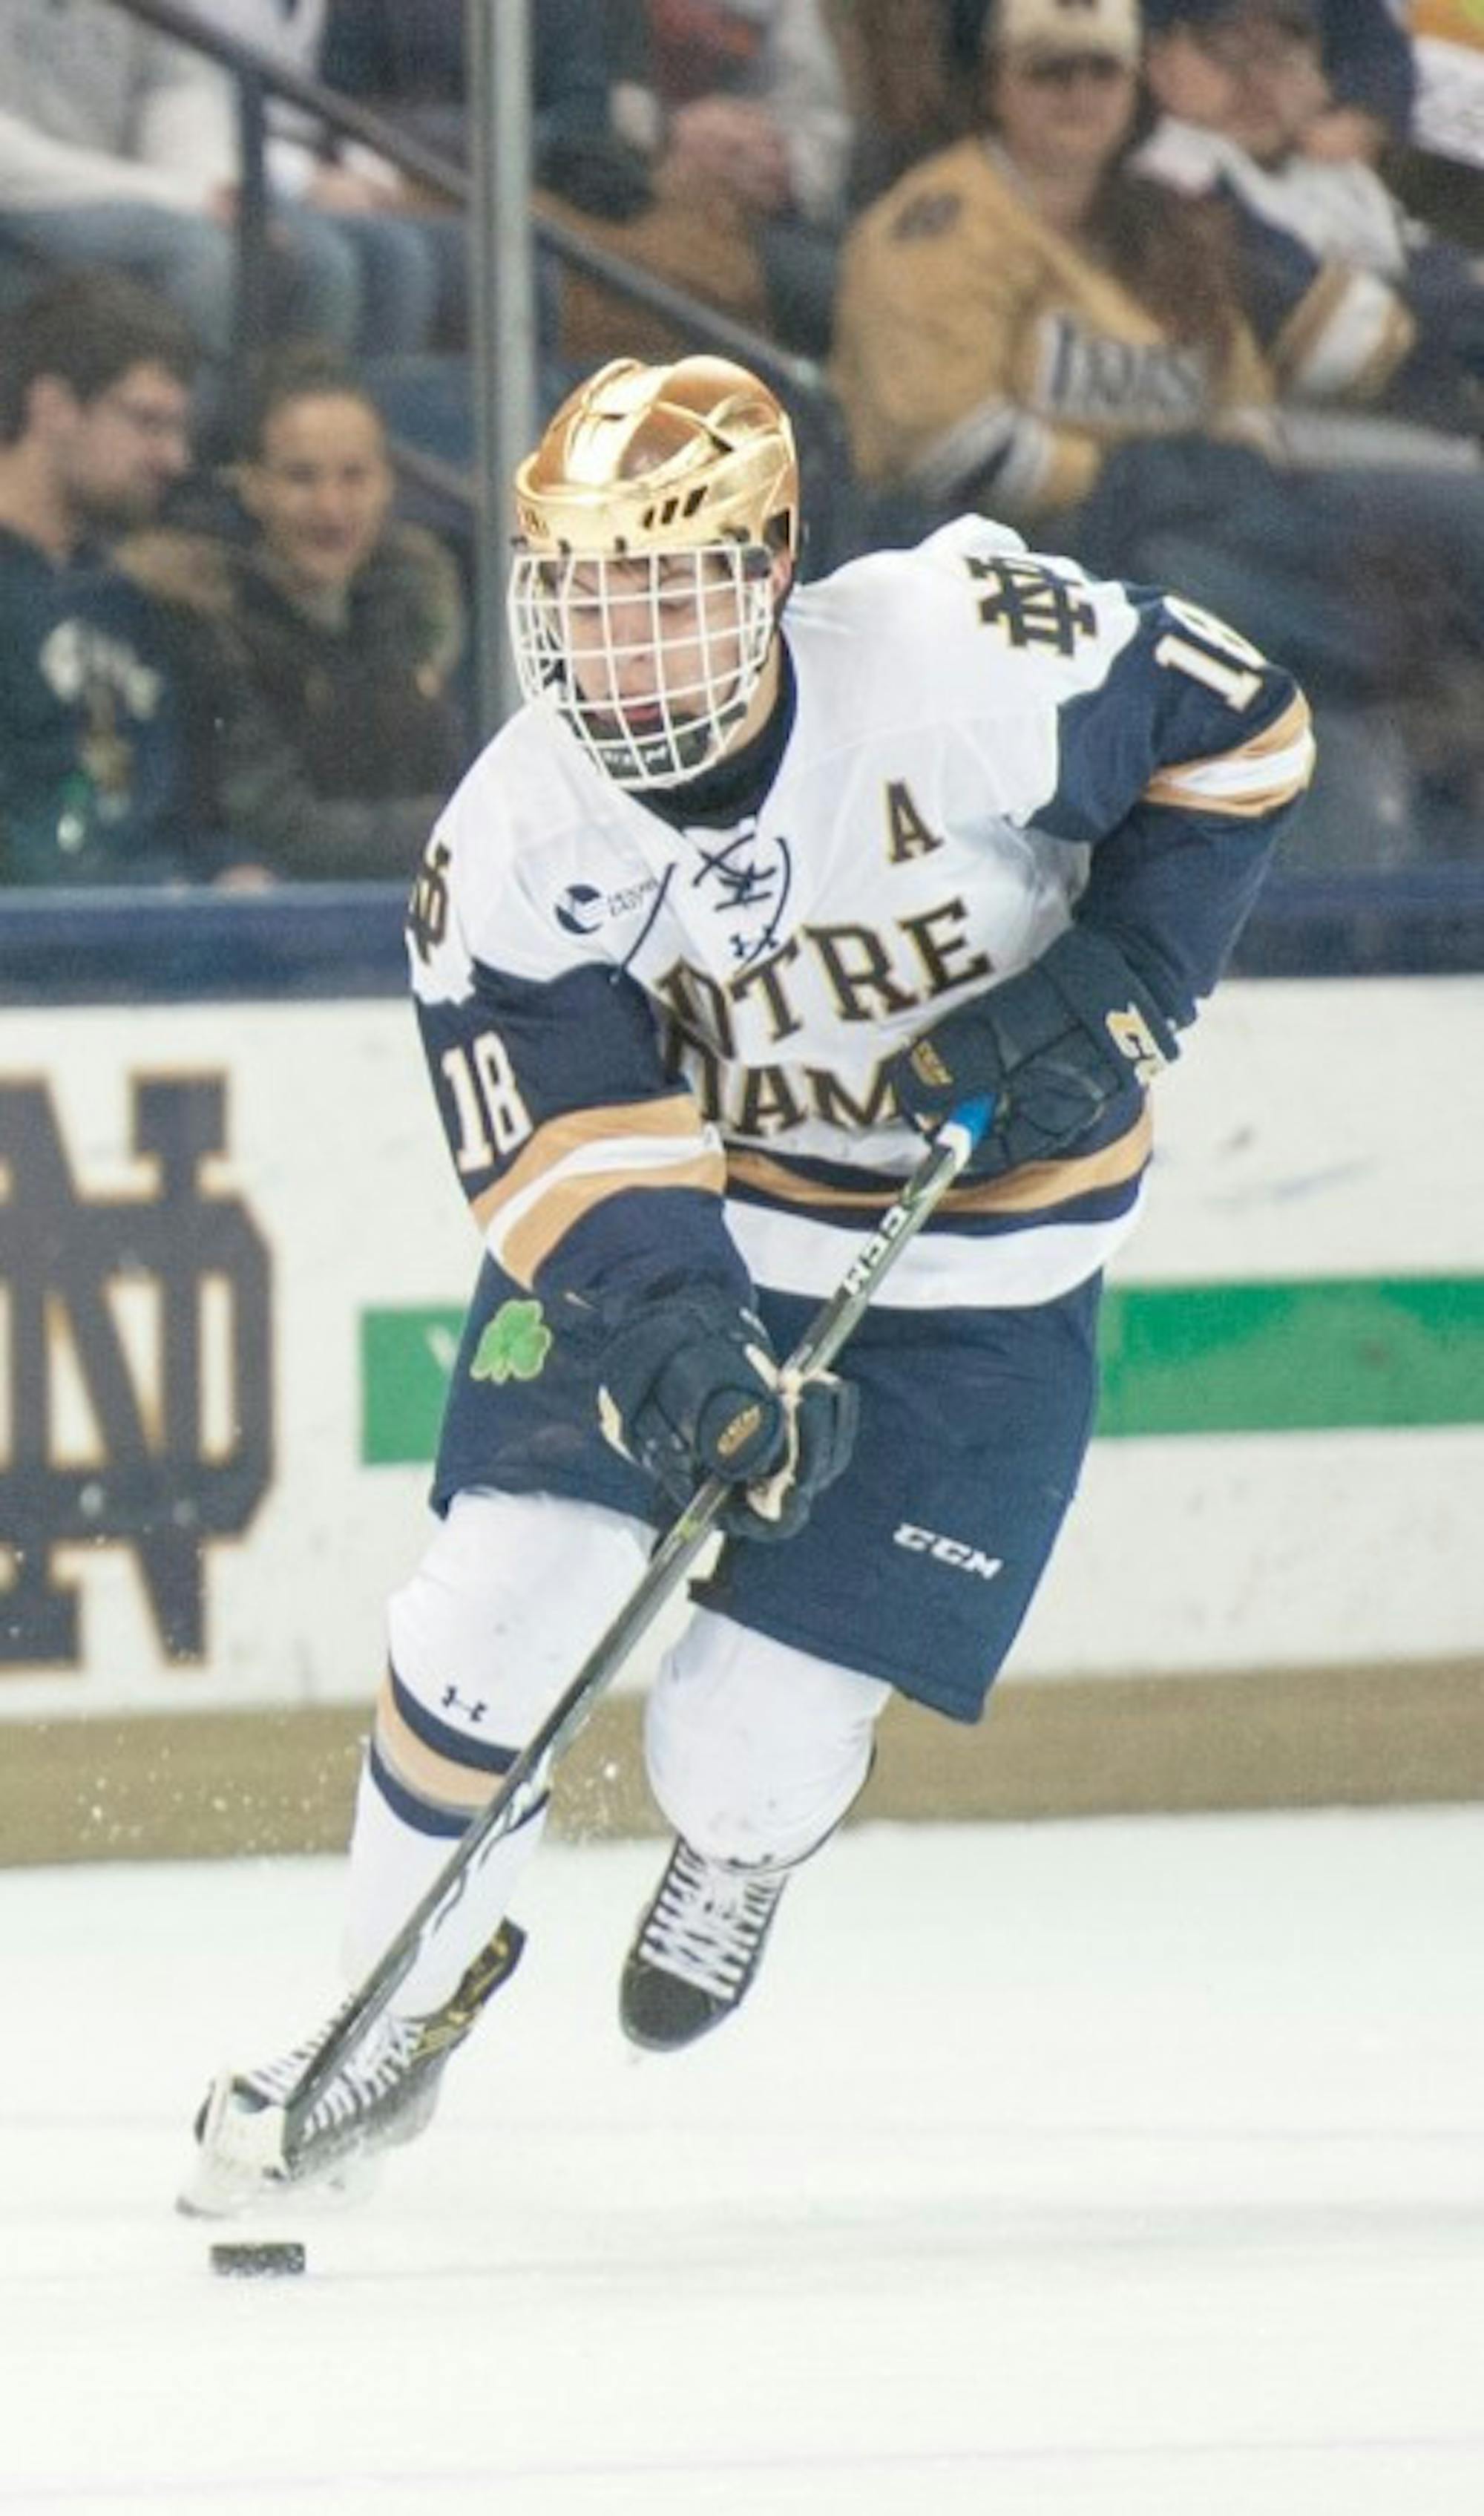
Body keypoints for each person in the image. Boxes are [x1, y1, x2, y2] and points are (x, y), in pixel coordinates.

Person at [182, 348, 1313, 2214]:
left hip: (986, 1265)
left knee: (743, 1742)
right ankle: (376, 2004)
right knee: (495, 1606)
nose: (616, 647)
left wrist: (1120, 979)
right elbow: (557, 1140)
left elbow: (1243, 731)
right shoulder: (515, 839)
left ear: (771, 562)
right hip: (707, 1219)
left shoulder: (959, 655)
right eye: (580, 590)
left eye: (667, 587)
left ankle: (742, 1845)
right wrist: (672, 1333)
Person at [117, 347, 467, 882]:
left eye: (354, 477)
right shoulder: (208, 620)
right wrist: (464, 831)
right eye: (302, 477)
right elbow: (279, 830)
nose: (331, 508)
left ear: (387, 485)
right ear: (253, 486)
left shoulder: (413, 614)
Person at [1137, 0, 1484, 432]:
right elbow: (1333, 342)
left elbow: (1436, 261)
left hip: (1395, 434)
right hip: (1269, 447)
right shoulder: (1168, 178)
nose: (1260, 81)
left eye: (1283, 50)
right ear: (1158, 60)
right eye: (1225, 49)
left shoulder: (1325, 168)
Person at [0, 0, 371, 363]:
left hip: (130, 188)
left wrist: (208, 187)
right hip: (26, 194)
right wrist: (187, 196)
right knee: (204, 257)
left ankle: (304, 419)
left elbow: (179, 89)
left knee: (332, 259)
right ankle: (192, 424)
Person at [0, 269, 216, 888]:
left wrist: (226, 869)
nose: (176, 459)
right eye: (149, 422)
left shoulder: (129, 597)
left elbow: (175, 814)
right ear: (54, 407)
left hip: (151, 947)